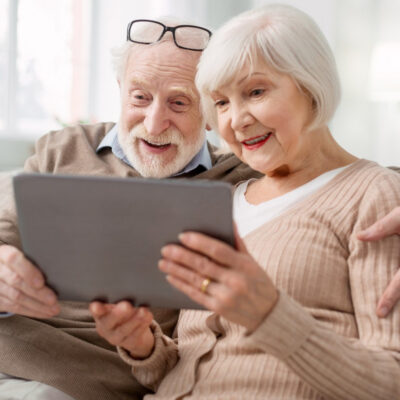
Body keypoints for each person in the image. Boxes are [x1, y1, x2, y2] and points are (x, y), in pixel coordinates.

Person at [91, 5, 400, 399]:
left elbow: (392, 382)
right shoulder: (223, 198)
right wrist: (143, 346)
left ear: (311, 85)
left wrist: (269, 314)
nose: (236, 120)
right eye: (220, 103)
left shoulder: (374, 196)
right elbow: (194, 365)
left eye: (255, 92)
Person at [0, 17, 260, 400]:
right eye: (140, 97)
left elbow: (342, 171)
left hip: (74, 383)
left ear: (211, 110)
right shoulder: (64, 147)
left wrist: (384, 194)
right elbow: (4, 225)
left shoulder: (239, 179)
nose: (154, 124)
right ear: (121, 90)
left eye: (179, 102)